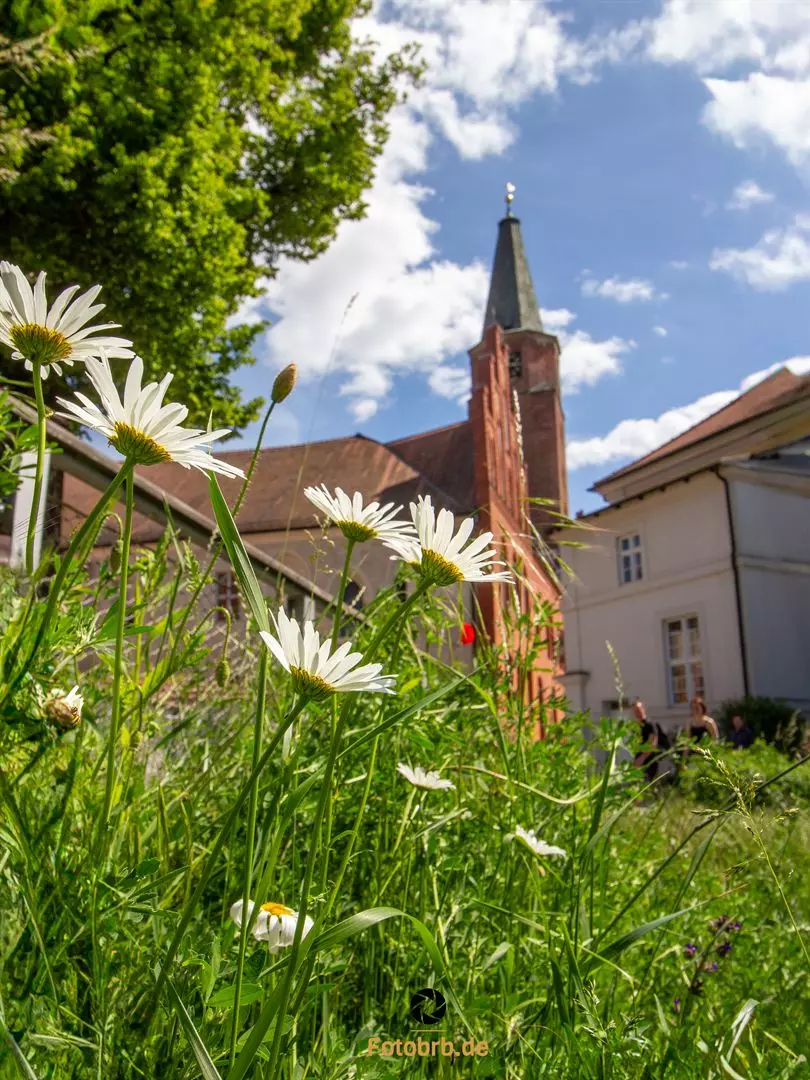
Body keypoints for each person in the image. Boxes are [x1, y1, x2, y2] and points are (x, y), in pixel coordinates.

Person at [632, 699, 660, 784]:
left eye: (638, 709)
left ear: (643, 709)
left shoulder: (650, 724)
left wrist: (641, 758)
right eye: (635, 710)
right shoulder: (635, 726)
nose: (637, 712)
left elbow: (652, 744)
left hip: (649, 760)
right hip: (638, 759)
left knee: (649, 786)